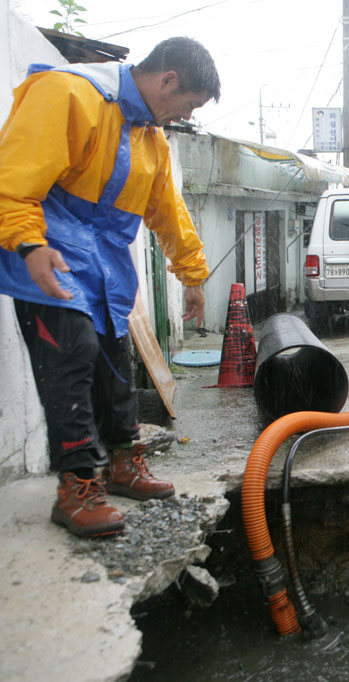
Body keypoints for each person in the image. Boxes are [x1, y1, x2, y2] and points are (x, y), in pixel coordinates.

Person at [0, 38, 221, 538]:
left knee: (115, 364)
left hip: (102, 265)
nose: (181, 115)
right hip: (48, 254)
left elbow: (168, 210)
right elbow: (11, 179)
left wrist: (192, 274)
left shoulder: (149, 139)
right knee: (70, 360)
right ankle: (77, 488)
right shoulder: (68, 93)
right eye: (187, 104)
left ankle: (124, 464)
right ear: (167, 81)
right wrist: (29, 244)